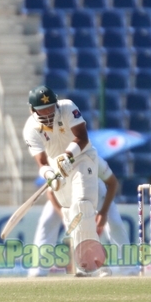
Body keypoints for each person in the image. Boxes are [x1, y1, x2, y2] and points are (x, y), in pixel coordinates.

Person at [23, 85, 106, 274]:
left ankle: (88, 266)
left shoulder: (67, 107)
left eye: (51, 107)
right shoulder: (30, 129)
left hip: (82, 159)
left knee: (82, 206)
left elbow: (82, 137)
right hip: (58, 169)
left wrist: (67, 155)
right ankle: (40, 269)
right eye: (43, 109)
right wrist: (47, 174)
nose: (48, 112)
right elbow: (42, 162)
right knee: (62, 218)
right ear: (32, 110)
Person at [30, 155, 129, 277]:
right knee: (47, 220)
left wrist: (103, 212)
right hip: (65, 198)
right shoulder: (59, 163)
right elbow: (51, 193)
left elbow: (113, 183)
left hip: (96, 195)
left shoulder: (93, 159)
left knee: (115, 223)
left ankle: (127, 269)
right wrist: (63, 215)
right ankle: (38, 270)